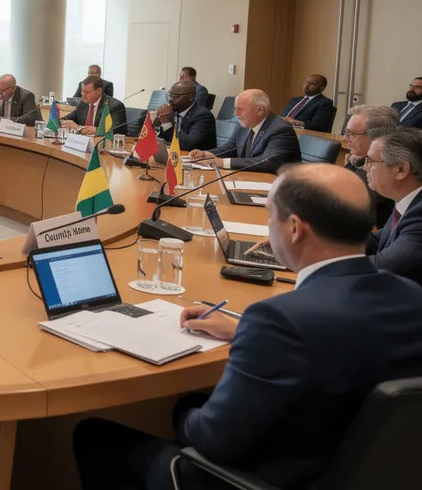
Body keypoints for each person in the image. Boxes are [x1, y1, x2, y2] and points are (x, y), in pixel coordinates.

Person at [73, 163, 422, 490]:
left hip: (262, 478)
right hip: (360, 472)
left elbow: (212, 439)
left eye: (271, 218)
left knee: (95, 435)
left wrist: (179, 407)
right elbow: (342, 348)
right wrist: (241, 331)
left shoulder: (280, 320)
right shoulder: (410, 296)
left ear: (295, 229)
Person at [188, 89, 302, 172]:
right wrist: (207, 154)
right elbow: (230, 147)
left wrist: (222, 162)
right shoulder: (246, 124)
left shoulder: (280, 130)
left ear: (260, 110)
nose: (235, 114)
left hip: (279, 187)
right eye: (235, 109)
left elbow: (267, 162)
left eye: (240, 109)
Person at [364, 128, 422, 286]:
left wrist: (323, 265)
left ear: (401, 169)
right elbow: (377, 241)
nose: (364, 168)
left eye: (370, 161)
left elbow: (387, 265)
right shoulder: (408, 201)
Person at [343, 105, 400, 228]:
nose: (346, 138)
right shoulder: (359, 158)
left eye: (351, 133)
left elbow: (350, 208)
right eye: (346, 132)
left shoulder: (385, 167)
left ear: (375, 136)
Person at [155, 80, 217, 151]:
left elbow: (188, 144)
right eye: (170, 96)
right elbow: (156, 134)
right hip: (174, 155)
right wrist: (161, 121)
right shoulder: (171, 111)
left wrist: (167, 123)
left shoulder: (203, 116)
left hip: (196, 158)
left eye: (176, 97)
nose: (171, 100)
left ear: (190, 97)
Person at [62, 76, 126, 137]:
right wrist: (63, 122)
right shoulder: (83, 103)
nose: (83, 95)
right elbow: (69, 117)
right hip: (83, 143)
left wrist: (80, 128)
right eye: (82, 91)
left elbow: (118, 130)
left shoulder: (115, 106)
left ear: (99, 91)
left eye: (87, 92)